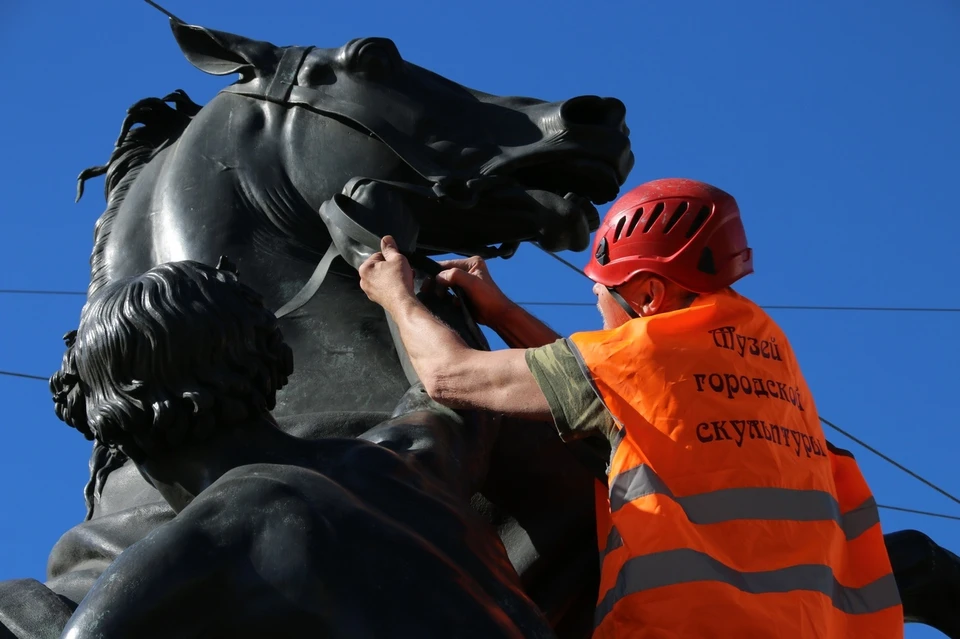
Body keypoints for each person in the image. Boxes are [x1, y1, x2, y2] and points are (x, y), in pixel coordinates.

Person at [358, 178, 905, 638]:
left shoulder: (645, 353)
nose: (598, 314)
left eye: (603, 295)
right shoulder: (760, 346)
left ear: (646, 295)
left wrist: (396, 296)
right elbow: (615, 390)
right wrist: (502, 312)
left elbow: (450, 376)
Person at [50, 258, 554, 639]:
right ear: (267, 355)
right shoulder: (401, 460)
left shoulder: (207, 542)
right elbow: (452, 399)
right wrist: (416, 296)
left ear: (118, 423)